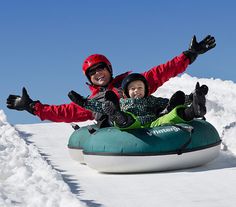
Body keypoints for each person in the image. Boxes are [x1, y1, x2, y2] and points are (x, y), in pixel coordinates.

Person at [6, 35, 215, 126]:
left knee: (165, 108)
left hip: (148, 118)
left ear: (109, 69)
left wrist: (190, 54)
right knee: (105, 108)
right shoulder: (94, 99)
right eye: (92, 73)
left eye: (101, 68)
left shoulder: (130, 83)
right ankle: (117, 115)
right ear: (89, 79)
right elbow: (65, 112)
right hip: (121, 126)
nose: (98, 74)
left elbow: (161, 72)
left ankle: (191, 109)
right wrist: (33, 107)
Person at [69, 73, 208, 130]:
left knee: (170, 115)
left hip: (152, 124)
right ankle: (118, 116)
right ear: (126, 93)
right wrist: (84, 102)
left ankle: (193, 110)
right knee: (127, 118)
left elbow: (166, 102)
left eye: (140, 88)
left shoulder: (150, 100)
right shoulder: (123, 103)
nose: (137, 91)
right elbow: (100, 107)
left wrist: (191, 97)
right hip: (133, 125)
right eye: (133, 89)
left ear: (145, 90)